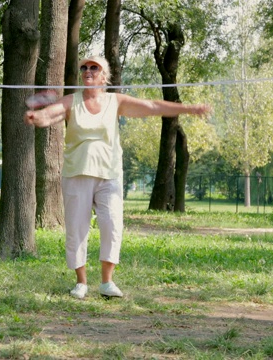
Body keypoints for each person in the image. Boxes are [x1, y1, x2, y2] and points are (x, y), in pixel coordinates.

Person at [24, 55, 210, 299]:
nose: (88, 71)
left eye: (94, 67)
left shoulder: (115, 101)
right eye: (84, 67)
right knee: (77, 230)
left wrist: (189, 109)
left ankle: (107, 282)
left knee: (112, 226)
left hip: (109, 174)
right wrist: (35, 117)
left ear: (104, 76)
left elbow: (153, 107)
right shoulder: (71, 101)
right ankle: (81, 283)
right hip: (77, 173)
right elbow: (47, 116)